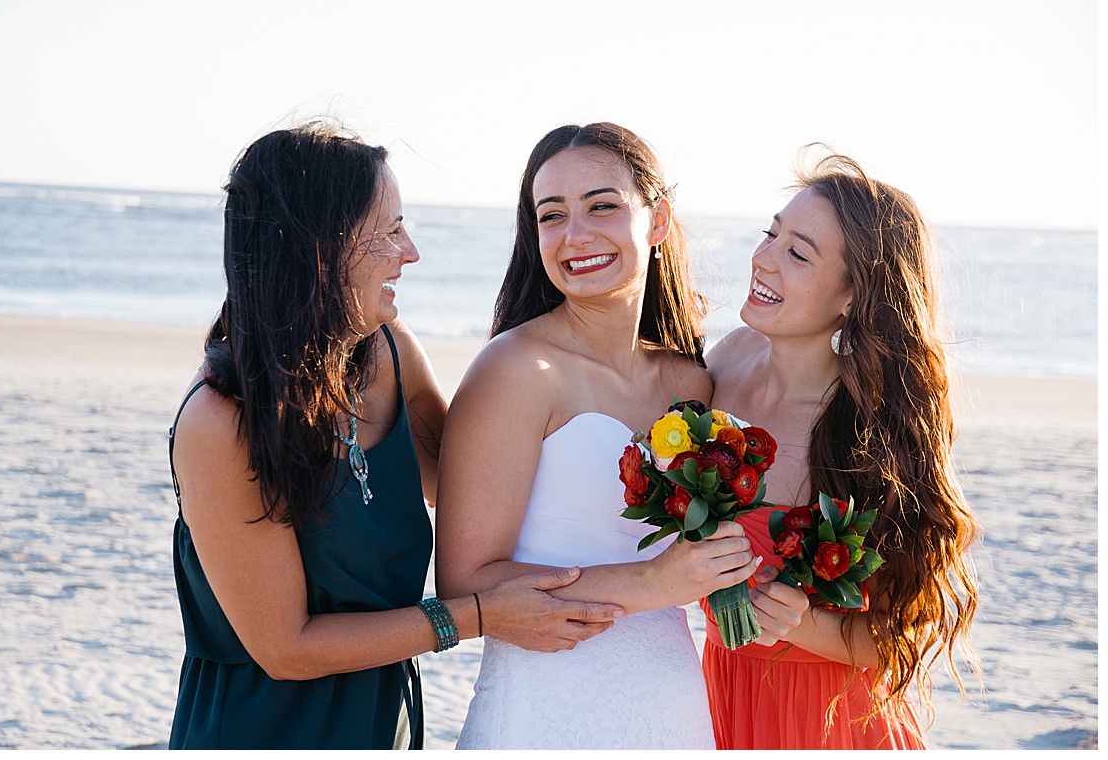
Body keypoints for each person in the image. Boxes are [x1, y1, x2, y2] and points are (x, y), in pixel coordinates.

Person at [166, 122, 625, 750]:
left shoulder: (388, 353)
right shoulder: (221, 421)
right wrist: (476, 618)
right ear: (317, 247)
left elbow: (474, 480)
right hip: (261, 728)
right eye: (388, 231)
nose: (409, 252)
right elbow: (286, 648)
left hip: (387, 722)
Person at [434, 122, 761, 750]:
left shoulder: (692, 383)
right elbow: (466, 583)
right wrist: (651, 585)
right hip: (544, 711)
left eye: (602, 206)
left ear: (657, 220)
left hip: (670, 707)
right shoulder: (516, 371)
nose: (575, 235)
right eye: (551, 215)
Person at [700, 148, 981, 749]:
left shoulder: (870, 433)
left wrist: (804, 623)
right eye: (770, 235)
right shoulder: (724, 363)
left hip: (825, 720)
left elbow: (900, 636)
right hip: (716, 695)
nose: (763, 260)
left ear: (855, 295)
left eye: (798, 253)